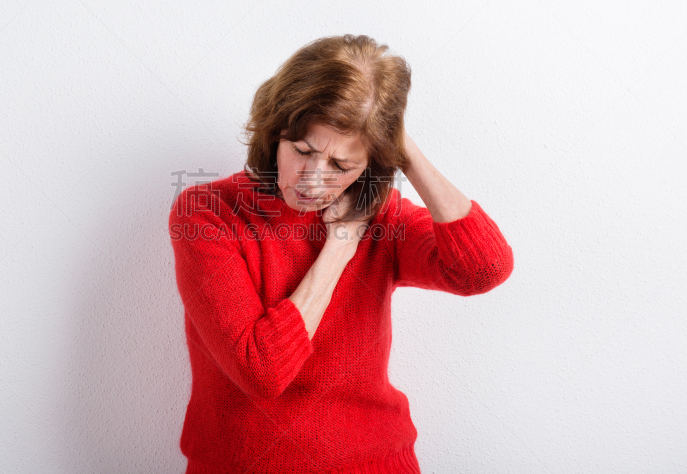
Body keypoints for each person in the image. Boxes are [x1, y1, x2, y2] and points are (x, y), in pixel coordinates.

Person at [168, 34, 514, 473]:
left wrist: (401, 148)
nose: (313, 180)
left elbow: (482, 270)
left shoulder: (380, 212)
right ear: (276, 133)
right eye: (303, 151)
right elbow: (264, 371)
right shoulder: (208, 213)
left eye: (341, 166)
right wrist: (340, 247)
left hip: (374, 461)